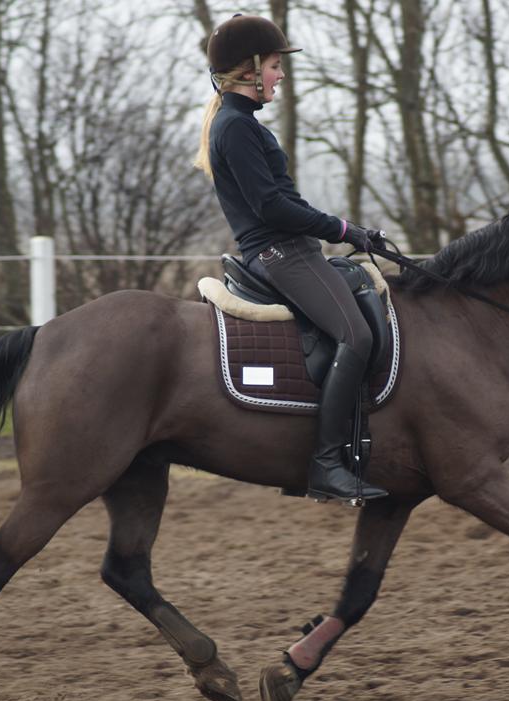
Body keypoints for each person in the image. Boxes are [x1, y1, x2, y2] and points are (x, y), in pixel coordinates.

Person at [195, 14, 387, 503]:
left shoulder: (242, 124)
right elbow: (273, 207)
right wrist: (344, 229)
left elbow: (287, 202)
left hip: (290, 248)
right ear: (251, 69)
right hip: (279, 253)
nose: (281, 76)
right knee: (356, 334)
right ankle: (325, 463)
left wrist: (351, 233)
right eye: (277, 66)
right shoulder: (235, 127)